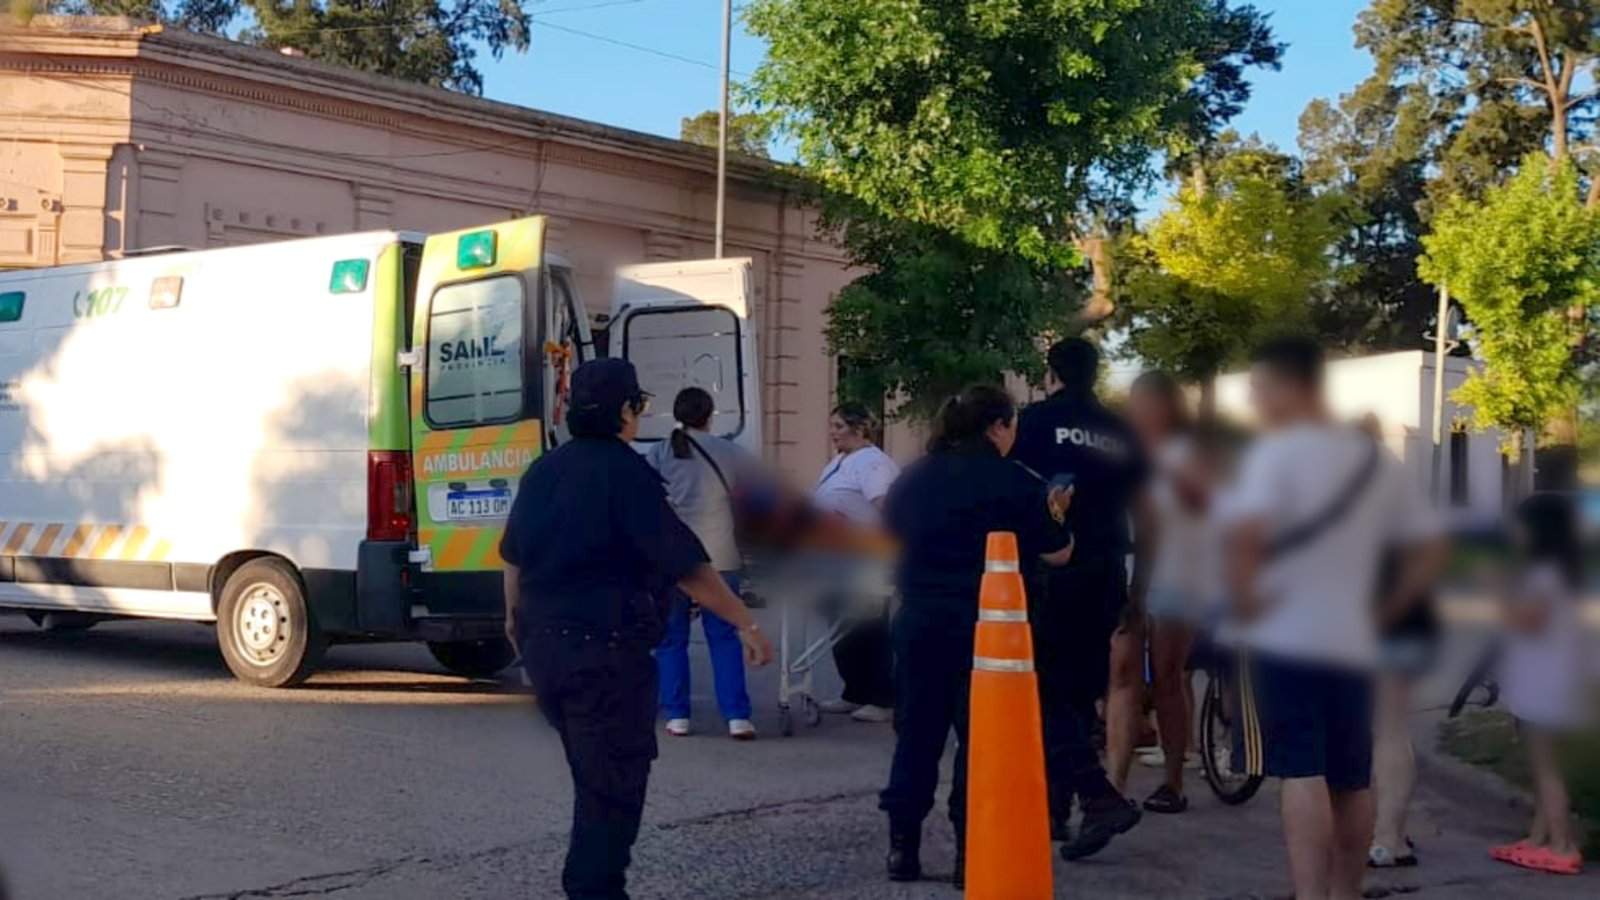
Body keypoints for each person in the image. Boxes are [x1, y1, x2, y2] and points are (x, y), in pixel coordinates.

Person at [500, 358, 775, 900]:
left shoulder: (544, 470)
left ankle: (592, 884)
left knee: (593, 778)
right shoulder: (627, 475)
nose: (640, 415)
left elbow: (511, 557)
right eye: (639, 406)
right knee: (613, 788)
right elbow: (689, 569)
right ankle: (593, 889)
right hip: (604, 654)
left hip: (546, 649)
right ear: (625, 410)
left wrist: (514, 623)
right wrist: (745, 623)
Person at [1225, 337, 1444, 900]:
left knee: (1301, 772)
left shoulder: (1272, 457)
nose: (1254, 401)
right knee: (1351, 776)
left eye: (1260, 389)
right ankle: (1347, 892)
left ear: (1292, 387)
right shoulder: (1373, 458)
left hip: (1286, 633)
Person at [879, 385, 1077, 886]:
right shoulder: (1017, 481)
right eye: (1012, 426)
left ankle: (902, 847)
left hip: (919, 617)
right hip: (988, 629)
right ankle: (970, 854)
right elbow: (1058, 551)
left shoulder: (913, 478)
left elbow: (888, 536)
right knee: (982, 741)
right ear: (997, 427)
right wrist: (1058, 511)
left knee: (916, 734)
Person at [1012, 337, 1155, 860]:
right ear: (1095, 375)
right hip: (1106, 573)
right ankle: (1056, 808)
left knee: (1045, 692)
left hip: (1050, 573)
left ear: (1051, 373)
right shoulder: (1120, 431)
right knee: (1077, 694)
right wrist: (1140, 588)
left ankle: (1095, 799)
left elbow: (1014, 493)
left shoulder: (1032, 422)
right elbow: (1147, 513)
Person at [645, 387, 761, 740]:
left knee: (671, 638)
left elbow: (648, 499)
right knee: (724, 637)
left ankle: (677, 715)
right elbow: (754, 497)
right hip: (720, 557)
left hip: (673, 559)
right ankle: (737, 717)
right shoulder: (730, 451)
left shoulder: (659, 452)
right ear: (710, 416)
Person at [1126, 370, 1213, 815]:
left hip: (1180, 578)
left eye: (1142, 403)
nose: (1135, 411)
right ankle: (1164, 764)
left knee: (1167, 676)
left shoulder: (1184, 452)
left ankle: (1174, 780)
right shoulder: (1141, 453)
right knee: (1153, 679)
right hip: (1146, 574)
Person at [1489, 492, 1588, 876]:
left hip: (1543, 689)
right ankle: (1537, 838)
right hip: (1556, 683)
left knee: (1546, 769)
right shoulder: (1566, 573)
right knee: (1546, 767)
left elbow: (1527, 621)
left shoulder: (1543, 575)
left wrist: (1497, 590)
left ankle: (1562, 846)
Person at [1362, 414, 1442, 870]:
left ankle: (1386, 837)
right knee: (1393, 728)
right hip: (1413, 620)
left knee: (1383, 730)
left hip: (1381, 621)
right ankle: (1393, 830)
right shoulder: (1400, 485)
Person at [812, 401, 900, 723]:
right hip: (836, 557)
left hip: (865, 556)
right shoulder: (840, 460)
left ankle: (881, 697)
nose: (832, 433)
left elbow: (887, 508)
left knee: (868, 625)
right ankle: (855, 691)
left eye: (839, 426)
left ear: (860, 428)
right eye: (831, 425)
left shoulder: (874, 465)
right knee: (841, 625)